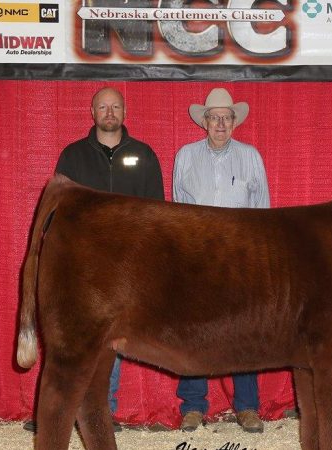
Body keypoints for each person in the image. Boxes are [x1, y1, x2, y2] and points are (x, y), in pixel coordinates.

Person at [24, 87, 165, 433]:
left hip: (128, 264)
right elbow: (57, 210)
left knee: (112, 336)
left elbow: (158, 211)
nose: (109, 112)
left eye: (115, 106)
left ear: (124, 111)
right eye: (103, 106)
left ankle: (102, 409)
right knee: (70, 338)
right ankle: (61, 409)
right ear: (92, 111)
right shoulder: (72, 156)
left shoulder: (144, 155)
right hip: (82, 265)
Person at [171, 87, 269, 433]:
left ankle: (247, 406)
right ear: (204, 122)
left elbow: (263, 213)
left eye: (227, 117)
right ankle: (194, 404)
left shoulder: (251, 157)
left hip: (241, 258)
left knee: (244, 330)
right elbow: (178, 209)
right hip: (196, 256)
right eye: (215, 117)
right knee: (194, 330)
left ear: (235, 122)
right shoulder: (184, 156)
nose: (221, 123)